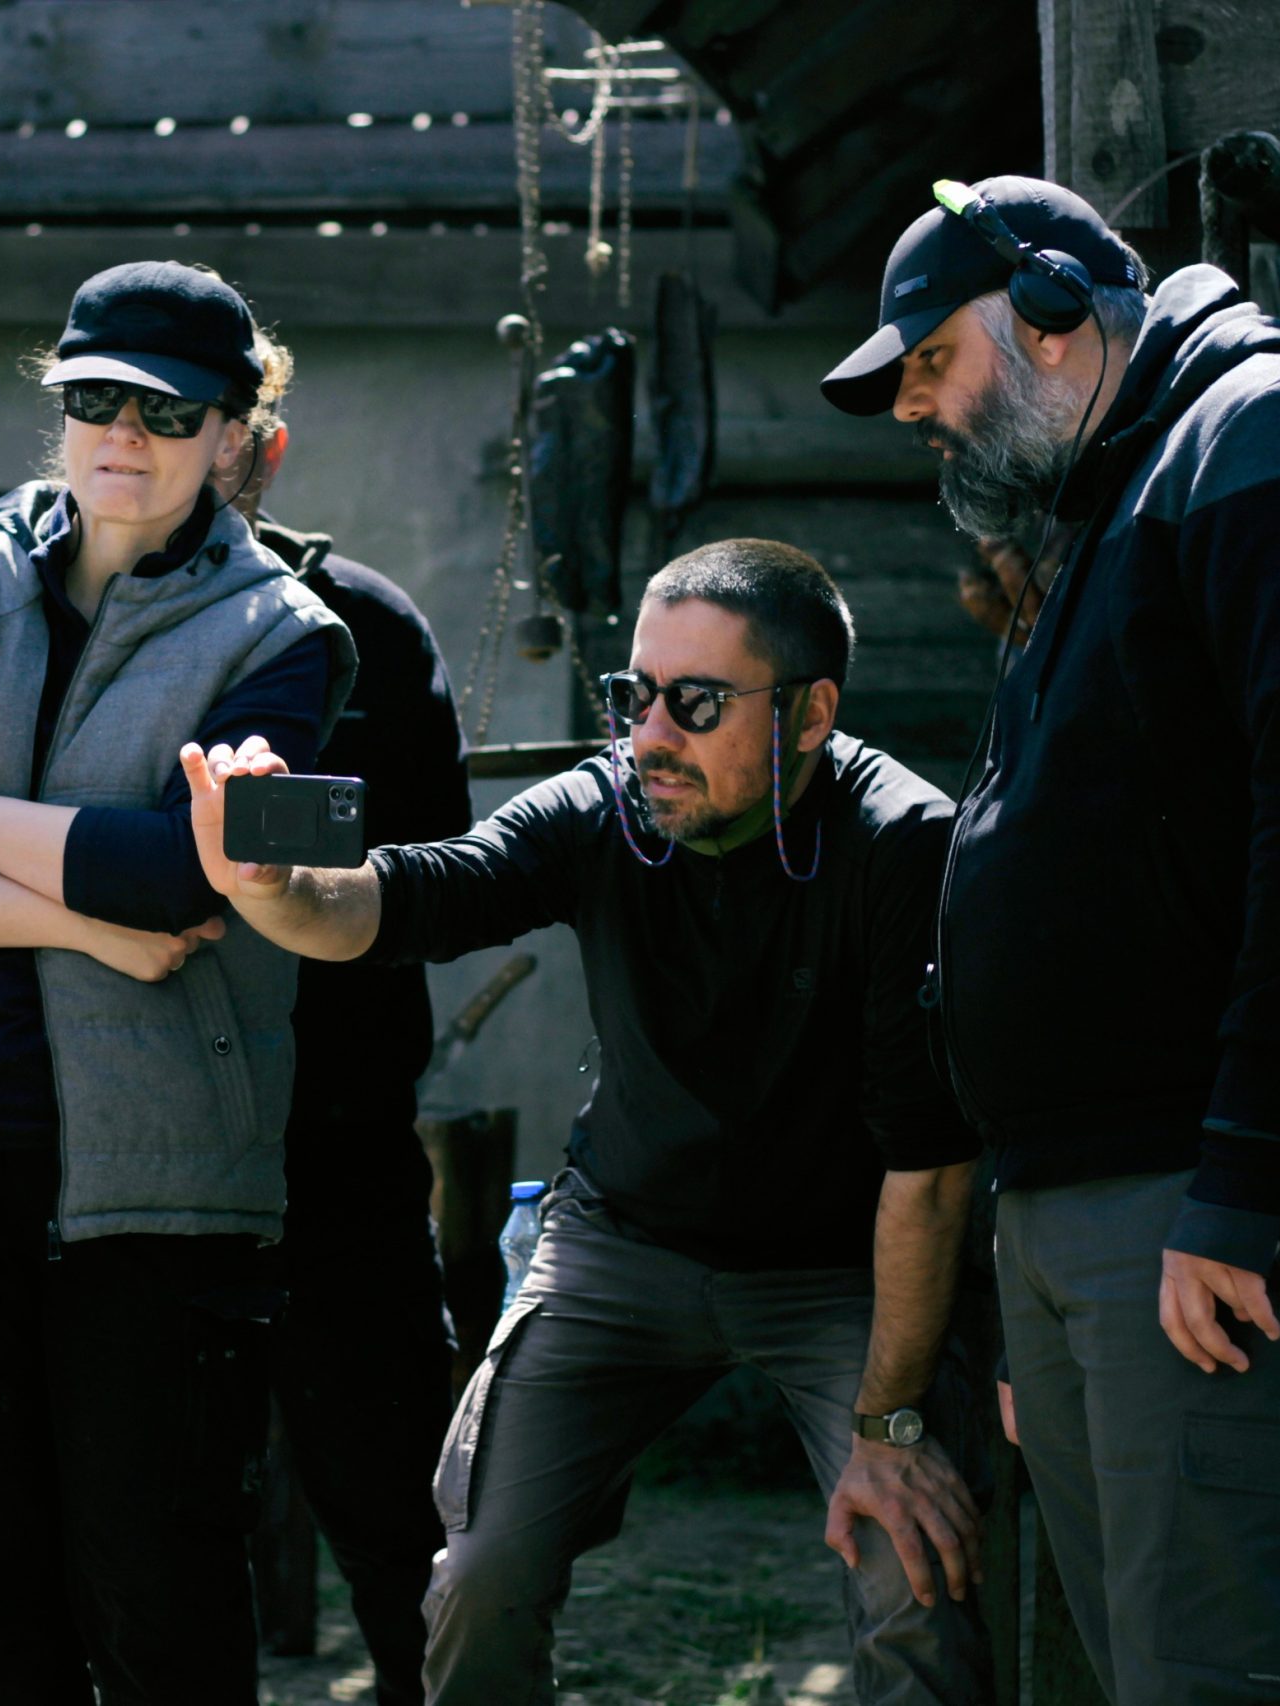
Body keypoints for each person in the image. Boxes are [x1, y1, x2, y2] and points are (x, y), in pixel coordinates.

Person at [822, 174, 1280, 1703]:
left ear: (1048, 317)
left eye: (932, 360)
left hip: (1207, 1213)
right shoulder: (1127, 485)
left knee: (1217, 1671)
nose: (915, 408)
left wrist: (1237, 1179)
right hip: (1101, 1215)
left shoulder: (1269, 431)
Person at [181, 539, 993, 1706]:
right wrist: (274, 887)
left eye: (695, 701)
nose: (650, 733)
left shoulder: (902, 843)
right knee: (477, 1570)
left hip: (841, 1268)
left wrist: (893, 1424)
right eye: (633, 694)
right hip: (624, 1241)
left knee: (912, 1567)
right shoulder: (606, 804)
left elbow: (931, 1171)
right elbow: (415, 893)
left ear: (811, 714)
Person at [0, 261, 356, 1704]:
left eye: (167, 411)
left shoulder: (287, 636)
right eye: (94, 398)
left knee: (159, 1600)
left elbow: (183, 877)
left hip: (154, 1177)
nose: (124, 433)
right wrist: (84, 927)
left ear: (232, 434)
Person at [210, 348, 472, 1705]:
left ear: (264, 447)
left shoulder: (363, 623)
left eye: (206, 426)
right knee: (157, 1529)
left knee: (397, 1513)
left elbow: (425, 863)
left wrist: (258, 841)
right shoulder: (54, 619)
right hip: (136, 1145)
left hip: (339, 1134)